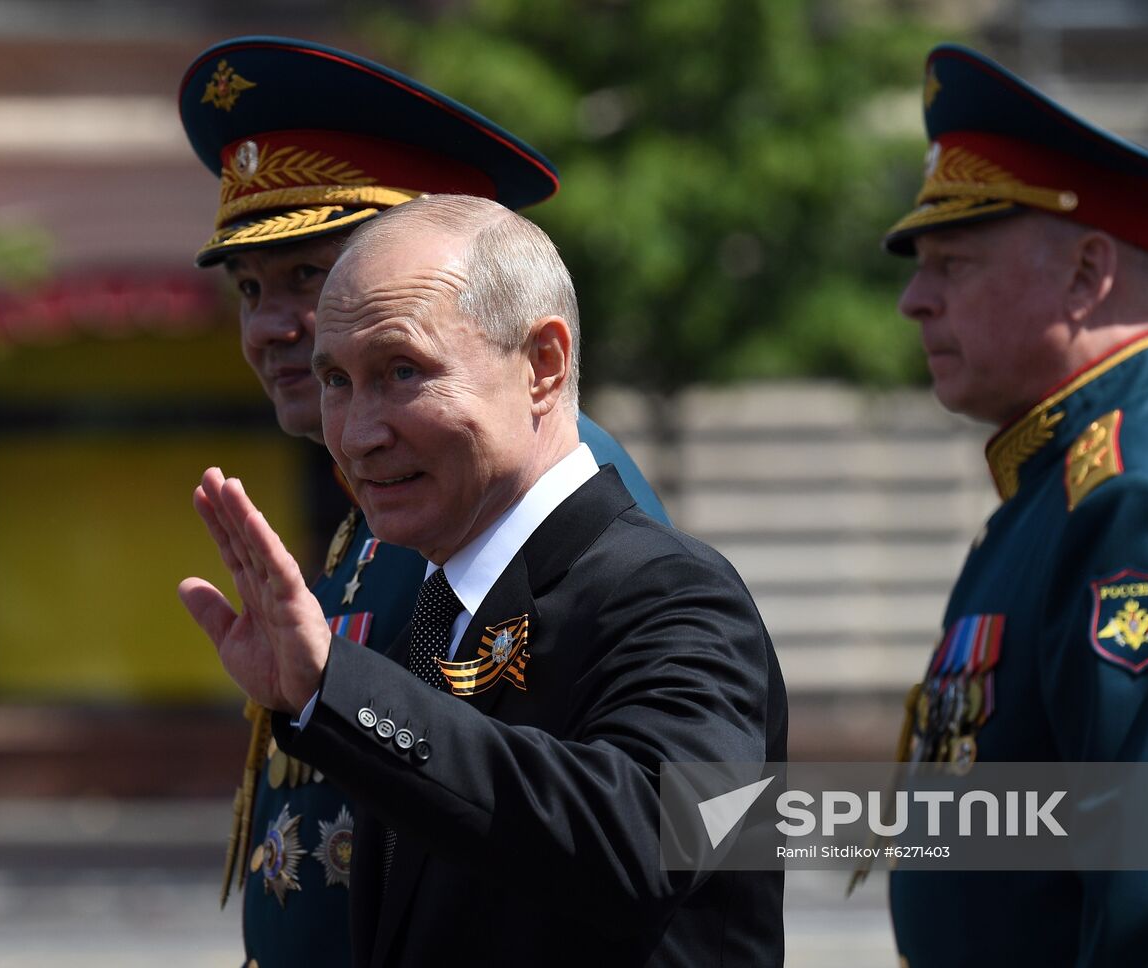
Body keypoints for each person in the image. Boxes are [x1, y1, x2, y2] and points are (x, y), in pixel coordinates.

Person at [179, 193, 788, 966]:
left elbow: (649, 840)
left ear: (543, 365)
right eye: (336, 381)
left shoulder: (671, 591)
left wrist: (344, 689)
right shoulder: (439, 608)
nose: (360, 434)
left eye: (403, 371)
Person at [177, 36, 670, 968]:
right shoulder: (378, 511)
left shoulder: (554, 503)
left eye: (309, 279)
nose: (275, 326)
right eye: (250, 289)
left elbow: (657, 832)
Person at [880, 43, 1148, 967]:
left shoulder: (1142, 509)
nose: (917, 299)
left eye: (953, 263)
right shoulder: (1064, 492)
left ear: (1086, 274)